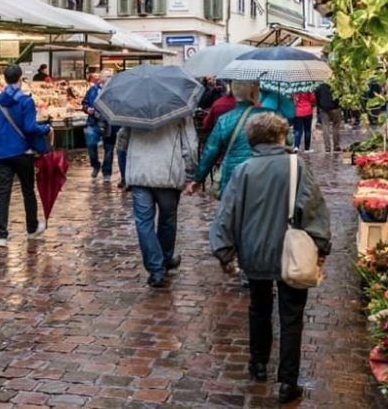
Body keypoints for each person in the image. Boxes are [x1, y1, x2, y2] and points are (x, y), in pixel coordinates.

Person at [209, 112, 332, 404]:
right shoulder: (296, 167)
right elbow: (313, 209)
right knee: (291, 316)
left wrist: (224, 251)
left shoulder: (243, 170)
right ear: (281, 137)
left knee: (259, 308)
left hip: (254, 252)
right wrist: (321, 246)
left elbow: (226, 213)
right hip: (291, 252)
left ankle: (258, 364)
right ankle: (288, 381)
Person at [124, 116, 197, 288]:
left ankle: (156, 269)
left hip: (139, 172)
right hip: (167, 172)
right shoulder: (180, 110)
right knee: (167, 219)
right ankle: (163, 260)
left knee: (144, 222)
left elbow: (123, 139)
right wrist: (191, 173)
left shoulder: (134, 108)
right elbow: (190, 145)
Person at [0, 64, 51, 247]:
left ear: (4, 78)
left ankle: (1, 234)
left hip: (1, 152)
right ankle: (31, 228)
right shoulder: (26, 101)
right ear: (20, 78)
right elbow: (30, 127)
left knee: (3, 192)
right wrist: (46, 128)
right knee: (27, 190)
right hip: (22, 151)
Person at [194, 81, 271, 198]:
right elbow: (287, 142)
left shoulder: (224, 120)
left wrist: (198, 179)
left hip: (232, 176)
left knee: (233, 211)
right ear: (252, 92)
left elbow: (211, 151)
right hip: (263, 174)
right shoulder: (269, 116)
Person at [82, 69, 116, 181]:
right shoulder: (93, 90)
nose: (109, 78)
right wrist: (87, 109)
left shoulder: (114, 90)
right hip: (93, 121)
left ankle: (107, 172)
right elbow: (84, 103)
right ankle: (95, 164)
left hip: (109, 123)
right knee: (91, 144)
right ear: (100, 78)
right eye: (107, 76)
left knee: (109, 148)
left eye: (111, 76)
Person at [314, 82, 342, 152]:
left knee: (325, 127)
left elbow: (317, 101)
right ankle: (336, 145)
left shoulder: (319, 87)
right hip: (335, 108)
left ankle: (327, 147)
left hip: (324, 109)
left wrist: (318, 113)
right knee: (336, 127)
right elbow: (340, 97)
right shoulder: (336, 85)